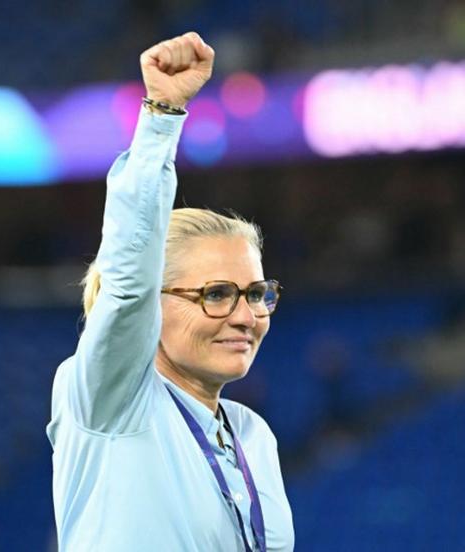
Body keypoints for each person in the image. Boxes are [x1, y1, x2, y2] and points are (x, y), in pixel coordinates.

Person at [46, 32, 295, 551]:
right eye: (217, 293)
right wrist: (162, 114)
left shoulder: (254, 436)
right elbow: (127, 278)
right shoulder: (110, 401)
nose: (246, 316)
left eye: (255, 293)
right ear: (152, 306)